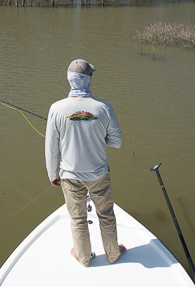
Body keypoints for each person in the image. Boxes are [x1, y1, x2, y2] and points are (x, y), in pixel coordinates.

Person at [45, 59, 126, 267]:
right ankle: (113, 254)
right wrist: (100, 137)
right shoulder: (103, 107)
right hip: (99, 175)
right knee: (106, 215)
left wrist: (52, 174)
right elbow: (116, 143)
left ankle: (83, 257)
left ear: (69, 80)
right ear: (88, 79)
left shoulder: (56, 108)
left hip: (69, 176)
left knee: (78, 219)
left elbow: (51, 147)